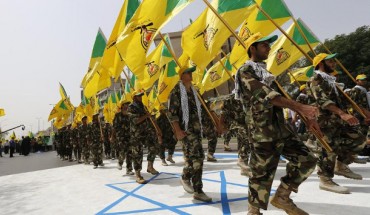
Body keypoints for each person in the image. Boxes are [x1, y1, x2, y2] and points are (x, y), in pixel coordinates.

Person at [235, 33, 319, 215]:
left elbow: (284, 99)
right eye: (264, 45)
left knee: (308, 160)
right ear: (253, 48)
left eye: (268, 45)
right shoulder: (245, 72)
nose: (269, 48)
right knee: (260, 175)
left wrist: (308, 117)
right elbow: (268, 96)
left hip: (281, 130)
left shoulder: (266, 74)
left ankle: (282, 196)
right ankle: (253, 212)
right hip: (262, 132)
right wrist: (300, 107)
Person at [308, 53, 367, 193]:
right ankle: (325, 179)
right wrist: (342, 113)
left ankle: (341, 165)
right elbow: (322, 100)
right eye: (330, 61)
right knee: (328, 149)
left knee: (359, 139)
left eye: (334, 61)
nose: (334, 63)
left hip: (338, 120)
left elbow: (341, 100)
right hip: (325, 121)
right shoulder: (316, 78)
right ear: (321, 64)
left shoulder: (330, 80)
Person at [168, 66, 212, 203]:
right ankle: (198, 190)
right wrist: (178, 131)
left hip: (196, 130)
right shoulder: (176, 91)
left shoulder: (194, 91)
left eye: (191, 72)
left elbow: (201, 111)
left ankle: (185, 176)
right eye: (188, 72)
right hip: (185, 131)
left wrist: (210, 126)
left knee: (193, 159)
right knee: (198, 157)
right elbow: (172, 114)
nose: (191, 74)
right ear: (181, 75)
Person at [128, 90, 162, 184]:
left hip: (147, 132)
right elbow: (135, 121)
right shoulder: (131, 108)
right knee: (137, 153)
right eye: (139, 96)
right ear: (134, 98)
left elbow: (151, 119)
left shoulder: (143, 107)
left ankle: (150, 166)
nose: (141, 97)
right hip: (137, 134)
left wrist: (158, 129)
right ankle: (138, 174)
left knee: (154, 146)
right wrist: (145, 116)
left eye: (141, 96)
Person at [113, 99, 134, 175]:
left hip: (129, 136)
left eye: (127, 105)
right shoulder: (117, 115)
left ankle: (129, 169)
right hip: (121, 137)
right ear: (122, 106)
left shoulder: (129, 115)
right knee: (122, 151)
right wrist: (113, 136)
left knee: (129, 153)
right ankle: (120, 162)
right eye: (125, 104)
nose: (127, 106)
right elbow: (114, 127)